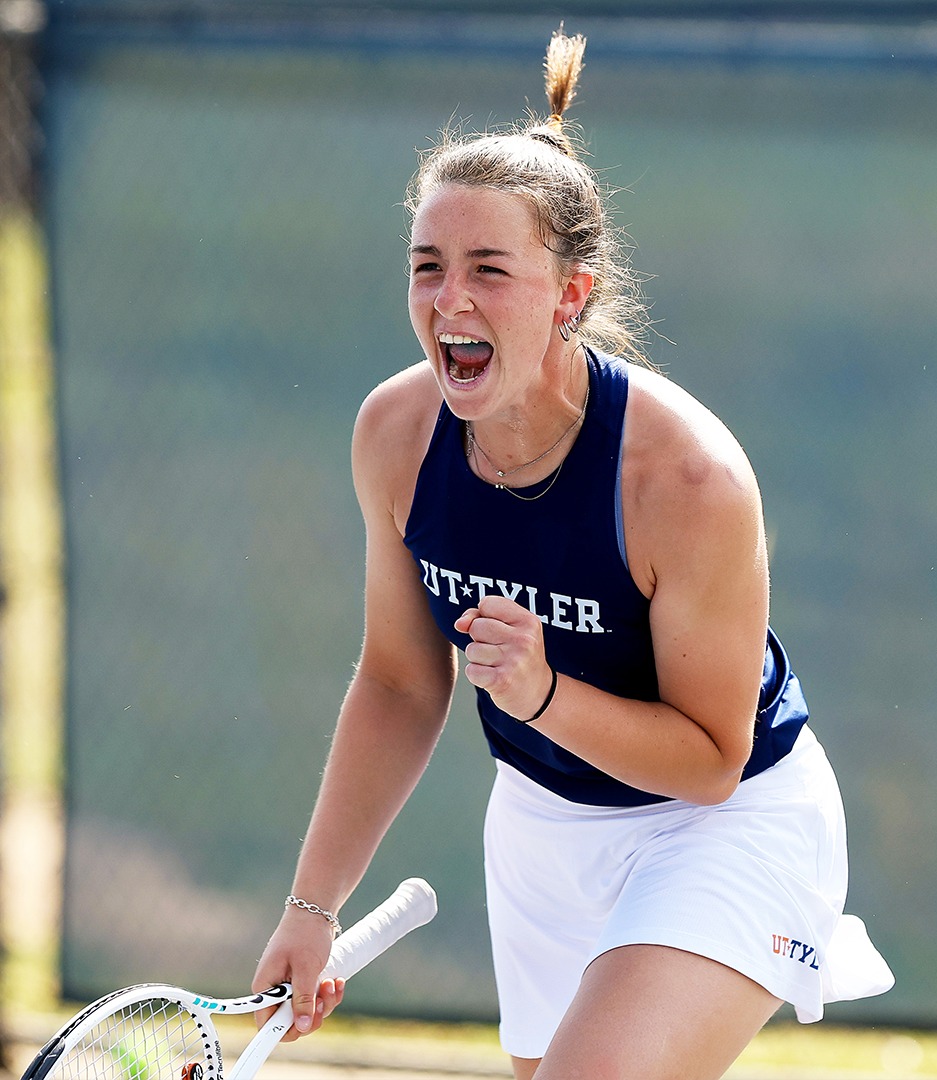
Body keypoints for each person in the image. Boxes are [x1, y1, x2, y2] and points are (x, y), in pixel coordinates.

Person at [250, 29, 893, 1080]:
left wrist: (542, 693)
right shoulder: (394, 436)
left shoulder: (688, 482)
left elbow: (713, 759)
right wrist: (312, 907)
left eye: (488, 271)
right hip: (544, 826)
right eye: (428, 268)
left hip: (723, 826)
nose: (449, 301)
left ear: (571, 295)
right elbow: (403, 682)